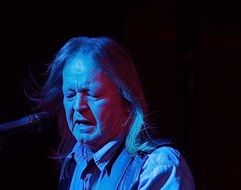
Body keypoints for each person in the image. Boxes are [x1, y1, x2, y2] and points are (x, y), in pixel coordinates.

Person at [34, 36, 195, 189]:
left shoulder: (157, 167)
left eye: (92, 94)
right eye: (70, 95)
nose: (78, 105)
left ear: (126, 99)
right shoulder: (73, 163)